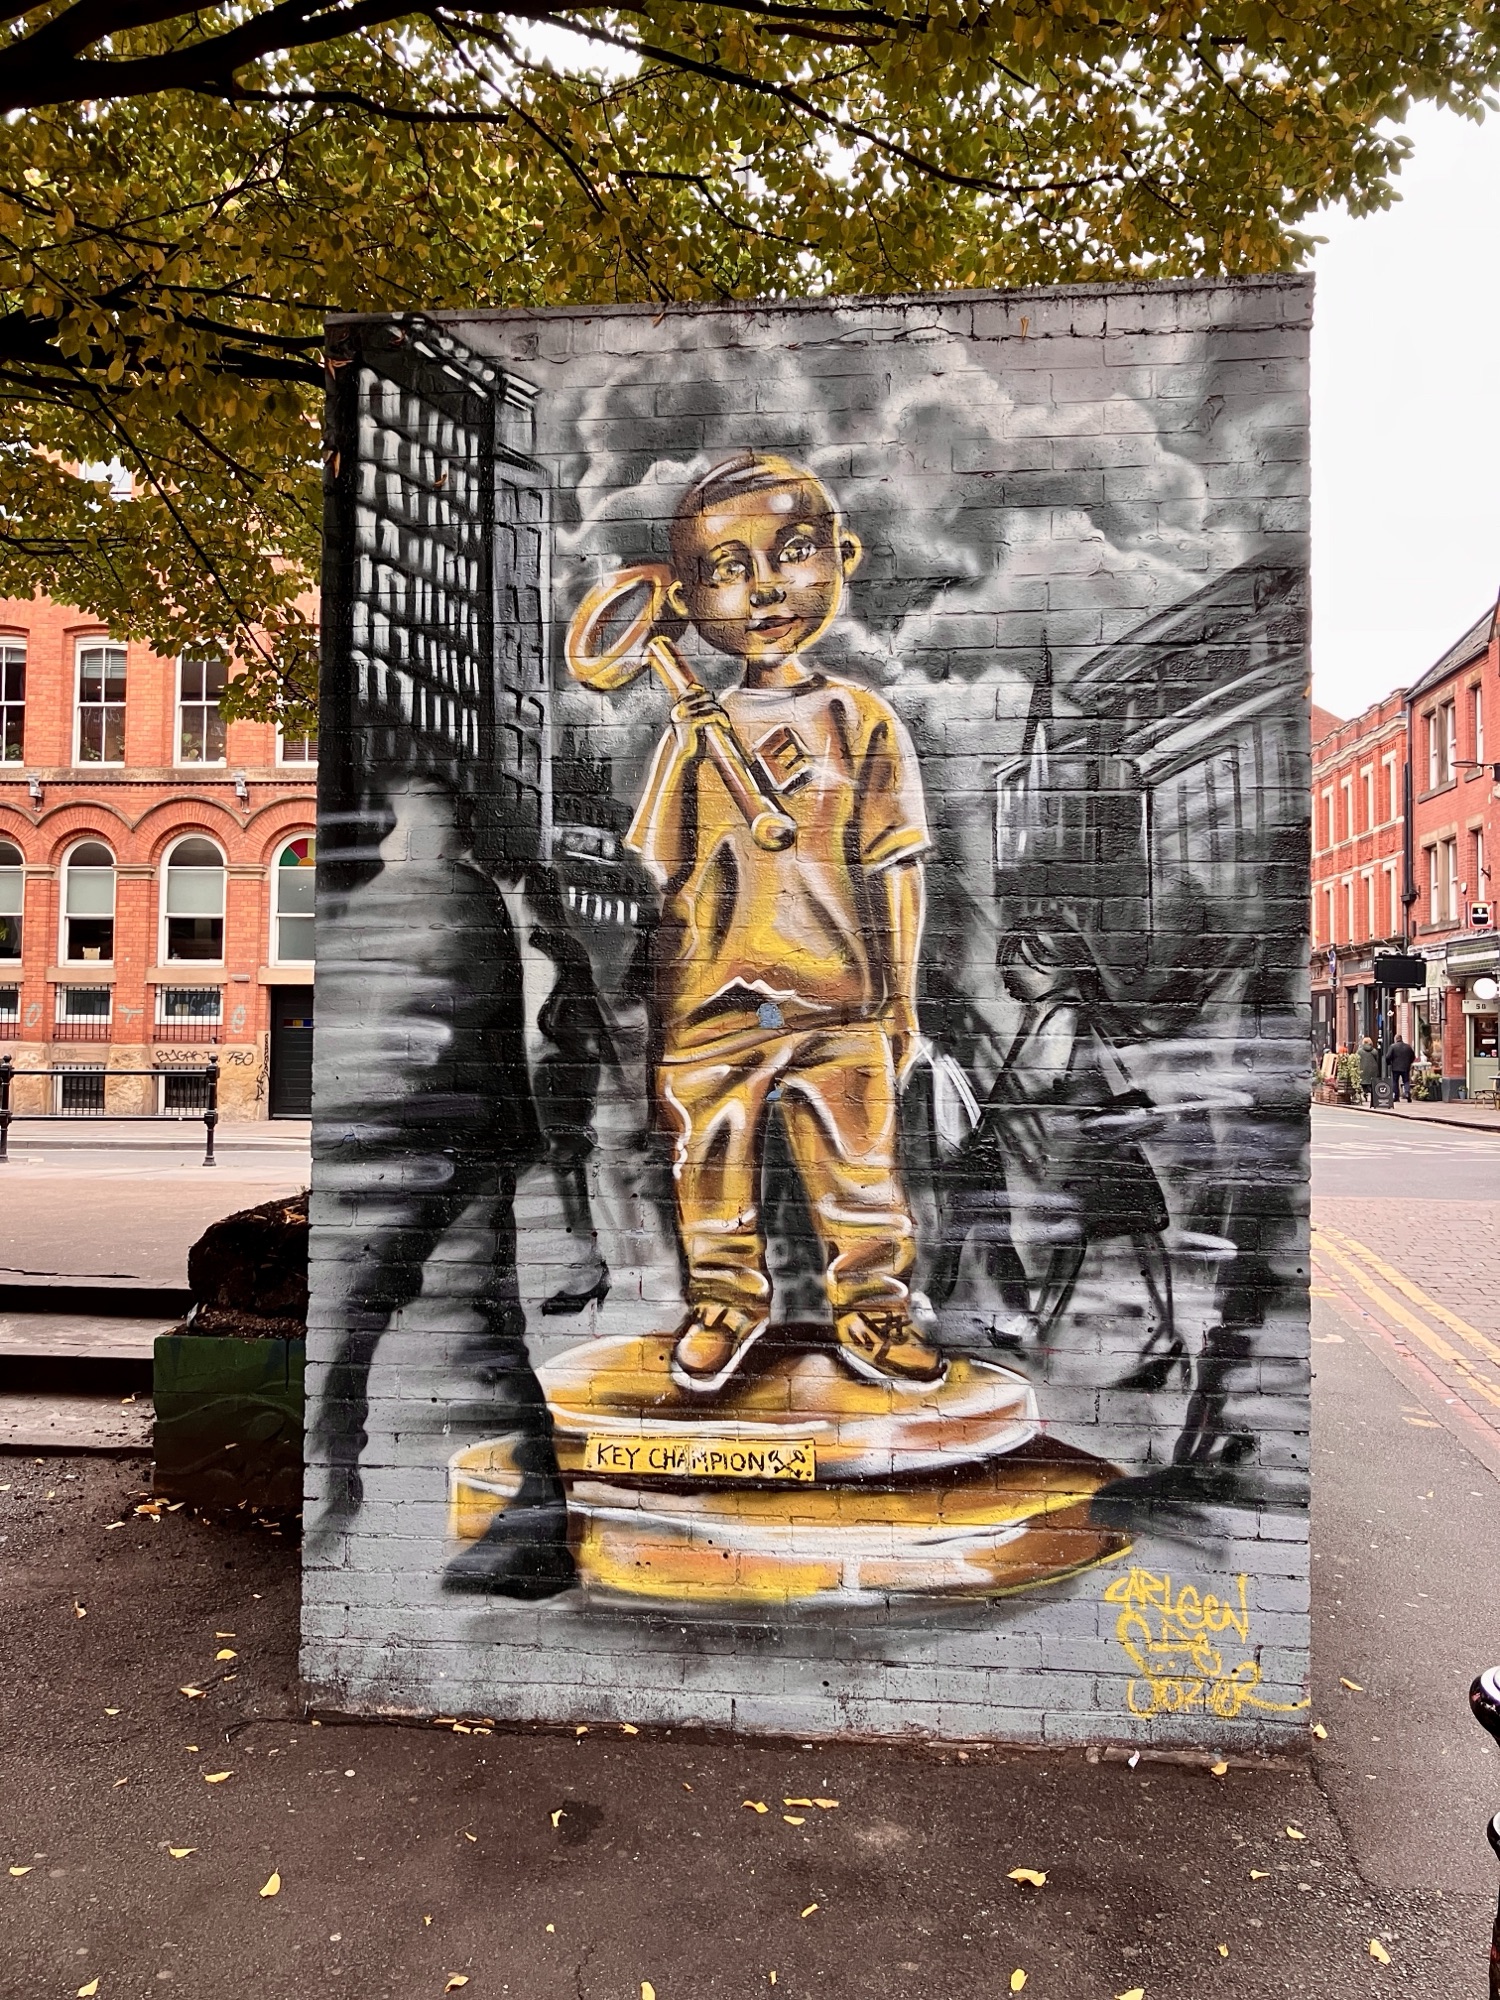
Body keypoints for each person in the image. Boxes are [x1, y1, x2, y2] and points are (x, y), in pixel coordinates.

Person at [625, 451, 944, 1395]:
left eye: (793, 551)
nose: (764, 589)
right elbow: (660, 874)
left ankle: (875, 1306)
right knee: (710, 1165)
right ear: (689, 601)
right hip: (716, 1008)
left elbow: (896, 869)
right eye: (728, 570)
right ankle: (724, 1301)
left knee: (860, 1170)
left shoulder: (862, 719)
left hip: (840, 1000)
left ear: (843, 556)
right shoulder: (692, 735)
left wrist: (901, 1001)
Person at [1388, 1032, 1415, 1101]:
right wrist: (1409, 1062)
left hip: (1395, 1067)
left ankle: (1396, 1096)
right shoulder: (1408, 1047)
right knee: (1406, 1081)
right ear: (1401, 1039)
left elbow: (1388, 1057)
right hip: (1405, 1067)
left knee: (1395, 1081)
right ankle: (1407, 1093)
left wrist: (1389, 1063)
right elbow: (1413, 1056)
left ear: (1395, 1039)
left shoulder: (1393, 1047)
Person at [1358, 1034, 1380, 1102]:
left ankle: (1365, 1094)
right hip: (1373, 1071)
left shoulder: (1359, 1051)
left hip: (1362, 1070)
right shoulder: (1374, 1051)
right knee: (1371, 1083)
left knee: (1363, 1083)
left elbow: (1357, 1060)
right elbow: (1377, 1060)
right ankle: (1371, 1095)